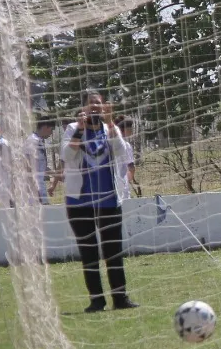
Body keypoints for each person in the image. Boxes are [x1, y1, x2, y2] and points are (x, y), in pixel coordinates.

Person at [62, 89, 137, 312]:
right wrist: (80, 131)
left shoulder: (109, 128)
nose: (95, 106)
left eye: (99, 103)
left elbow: (122, 152)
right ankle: (97, 300)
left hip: (108, 201)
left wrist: (111, 124)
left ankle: (120, 298)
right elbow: (66, 156)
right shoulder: (72, 129)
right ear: (83, 107)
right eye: (91, 103)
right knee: (89, 253)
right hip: (80, 203)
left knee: (113, 252)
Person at [25, 116, 60, 205]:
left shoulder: (39, 141)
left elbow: (41, 166)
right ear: (45, 127)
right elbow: (27, 167)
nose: (51, 133)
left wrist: (56, 175)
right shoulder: (32, 141)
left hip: (40, 187)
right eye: (51, 130)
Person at [112, 115, 138, 201]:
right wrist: (125, 182)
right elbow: (131, 168)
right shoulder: (126, 145)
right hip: (122, 189)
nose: (132, 130)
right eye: (130, 127)